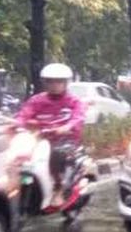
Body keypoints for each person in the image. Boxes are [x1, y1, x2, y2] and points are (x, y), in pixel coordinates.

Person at [16, 63, 86, 207]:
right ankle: (26, 184)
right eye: (50, 81)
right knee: (23, 158)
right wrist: (16, 124)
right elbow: (23, 115)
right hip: (40, 138)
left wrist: (67, 127)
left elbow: (78, 118)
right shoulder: (36, 100)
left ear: (66, 83)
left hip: (65, 140)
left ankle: (58, 187)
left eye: (58, 81)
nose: (54, 85)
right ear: (45, 82)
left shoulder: (74, 101)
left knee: (56, 153)